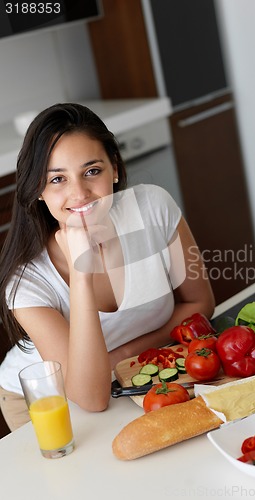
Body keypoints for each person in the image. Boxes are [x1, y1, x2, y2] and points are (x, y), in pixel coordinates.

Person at [0, 103, 215, 431]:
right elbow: (89, 396)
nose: (79, 193)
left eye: (91, 171)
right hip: (45, 401)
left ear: (114, 168)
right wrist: (81, 274)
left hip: (135, 376)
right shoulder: (27, 282)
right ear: (39, 191)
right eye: (57, 179)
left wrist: (124, 355)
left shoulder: (153, 208)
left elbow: (201, 304)